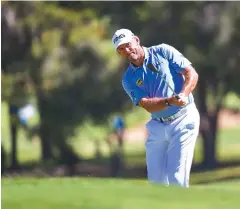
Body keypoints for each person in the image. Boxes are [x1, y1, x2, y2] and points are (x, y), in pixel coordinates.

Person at [112, 28, 200, 188]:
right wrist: (170, 101)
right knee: (156, 183)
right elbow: (146, 104)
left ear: (136, 40)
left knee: (177, 180)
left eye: (127, 44)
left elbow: (191, 73)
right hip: (158, 125)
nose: (126, 50)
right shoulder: (128, 79)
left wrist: (184, 94)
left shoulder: (163, 51)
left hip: (183, 120)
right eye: (121, 49)